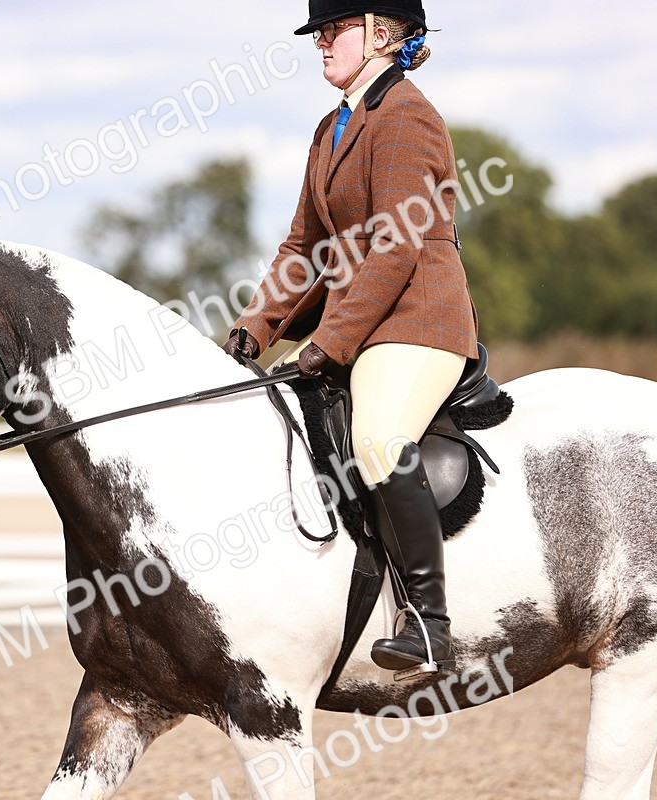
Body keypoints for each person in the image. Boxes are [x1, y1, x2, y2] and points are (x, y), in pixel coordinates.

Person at [223, 0, 479, 674]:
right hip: (360, 319)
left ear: (381, 35)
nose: (322, 42)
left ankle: (427, 621)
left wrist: (329, 342)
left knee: (378, 439)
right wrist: (257, 325)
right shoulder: (331, 127)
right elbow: (303, 246)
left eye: (335, 30)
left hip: (415, 319)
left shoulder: (406, 116)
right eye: (321, 33)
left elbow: (394, 249)